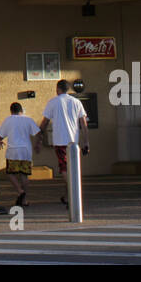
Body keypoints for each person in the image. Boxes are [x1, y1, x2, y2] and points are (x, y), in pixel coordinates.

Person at [39, 79, 89, 207]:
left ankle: (73, 194)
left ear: (58, 89)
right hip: (74, 141)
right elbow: (83, 123)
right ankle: (67, 196)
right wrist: (86, 142)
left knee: (64, 169)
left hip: (60, 140)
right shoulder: (76, 102)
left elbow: (44, 122)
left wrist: (39, 138)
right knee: (72, 167)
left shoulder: (53, 102)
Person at [0, 101, 40, 208]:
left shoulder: (8, 120)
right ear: (21, 110)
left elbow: (1, 133)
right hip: (25, 151)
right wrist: (38, 144)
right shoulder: (28, 119)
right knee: (24, 174)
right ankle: (24, 200)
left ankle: (20, 191)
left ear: (11, 111)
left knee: (10, 172)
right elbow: (38, 133)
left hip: (13, 150)